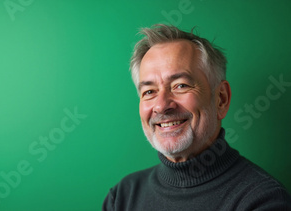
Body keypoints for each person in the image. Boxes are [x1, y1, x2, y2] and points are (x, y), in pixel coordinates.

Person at [102, 24, 291, 210]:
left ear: (221, 100)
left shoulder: (263, 200)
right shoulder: (121, 197)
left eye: (180, 85)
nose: (161, 105)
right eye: (149, 91)